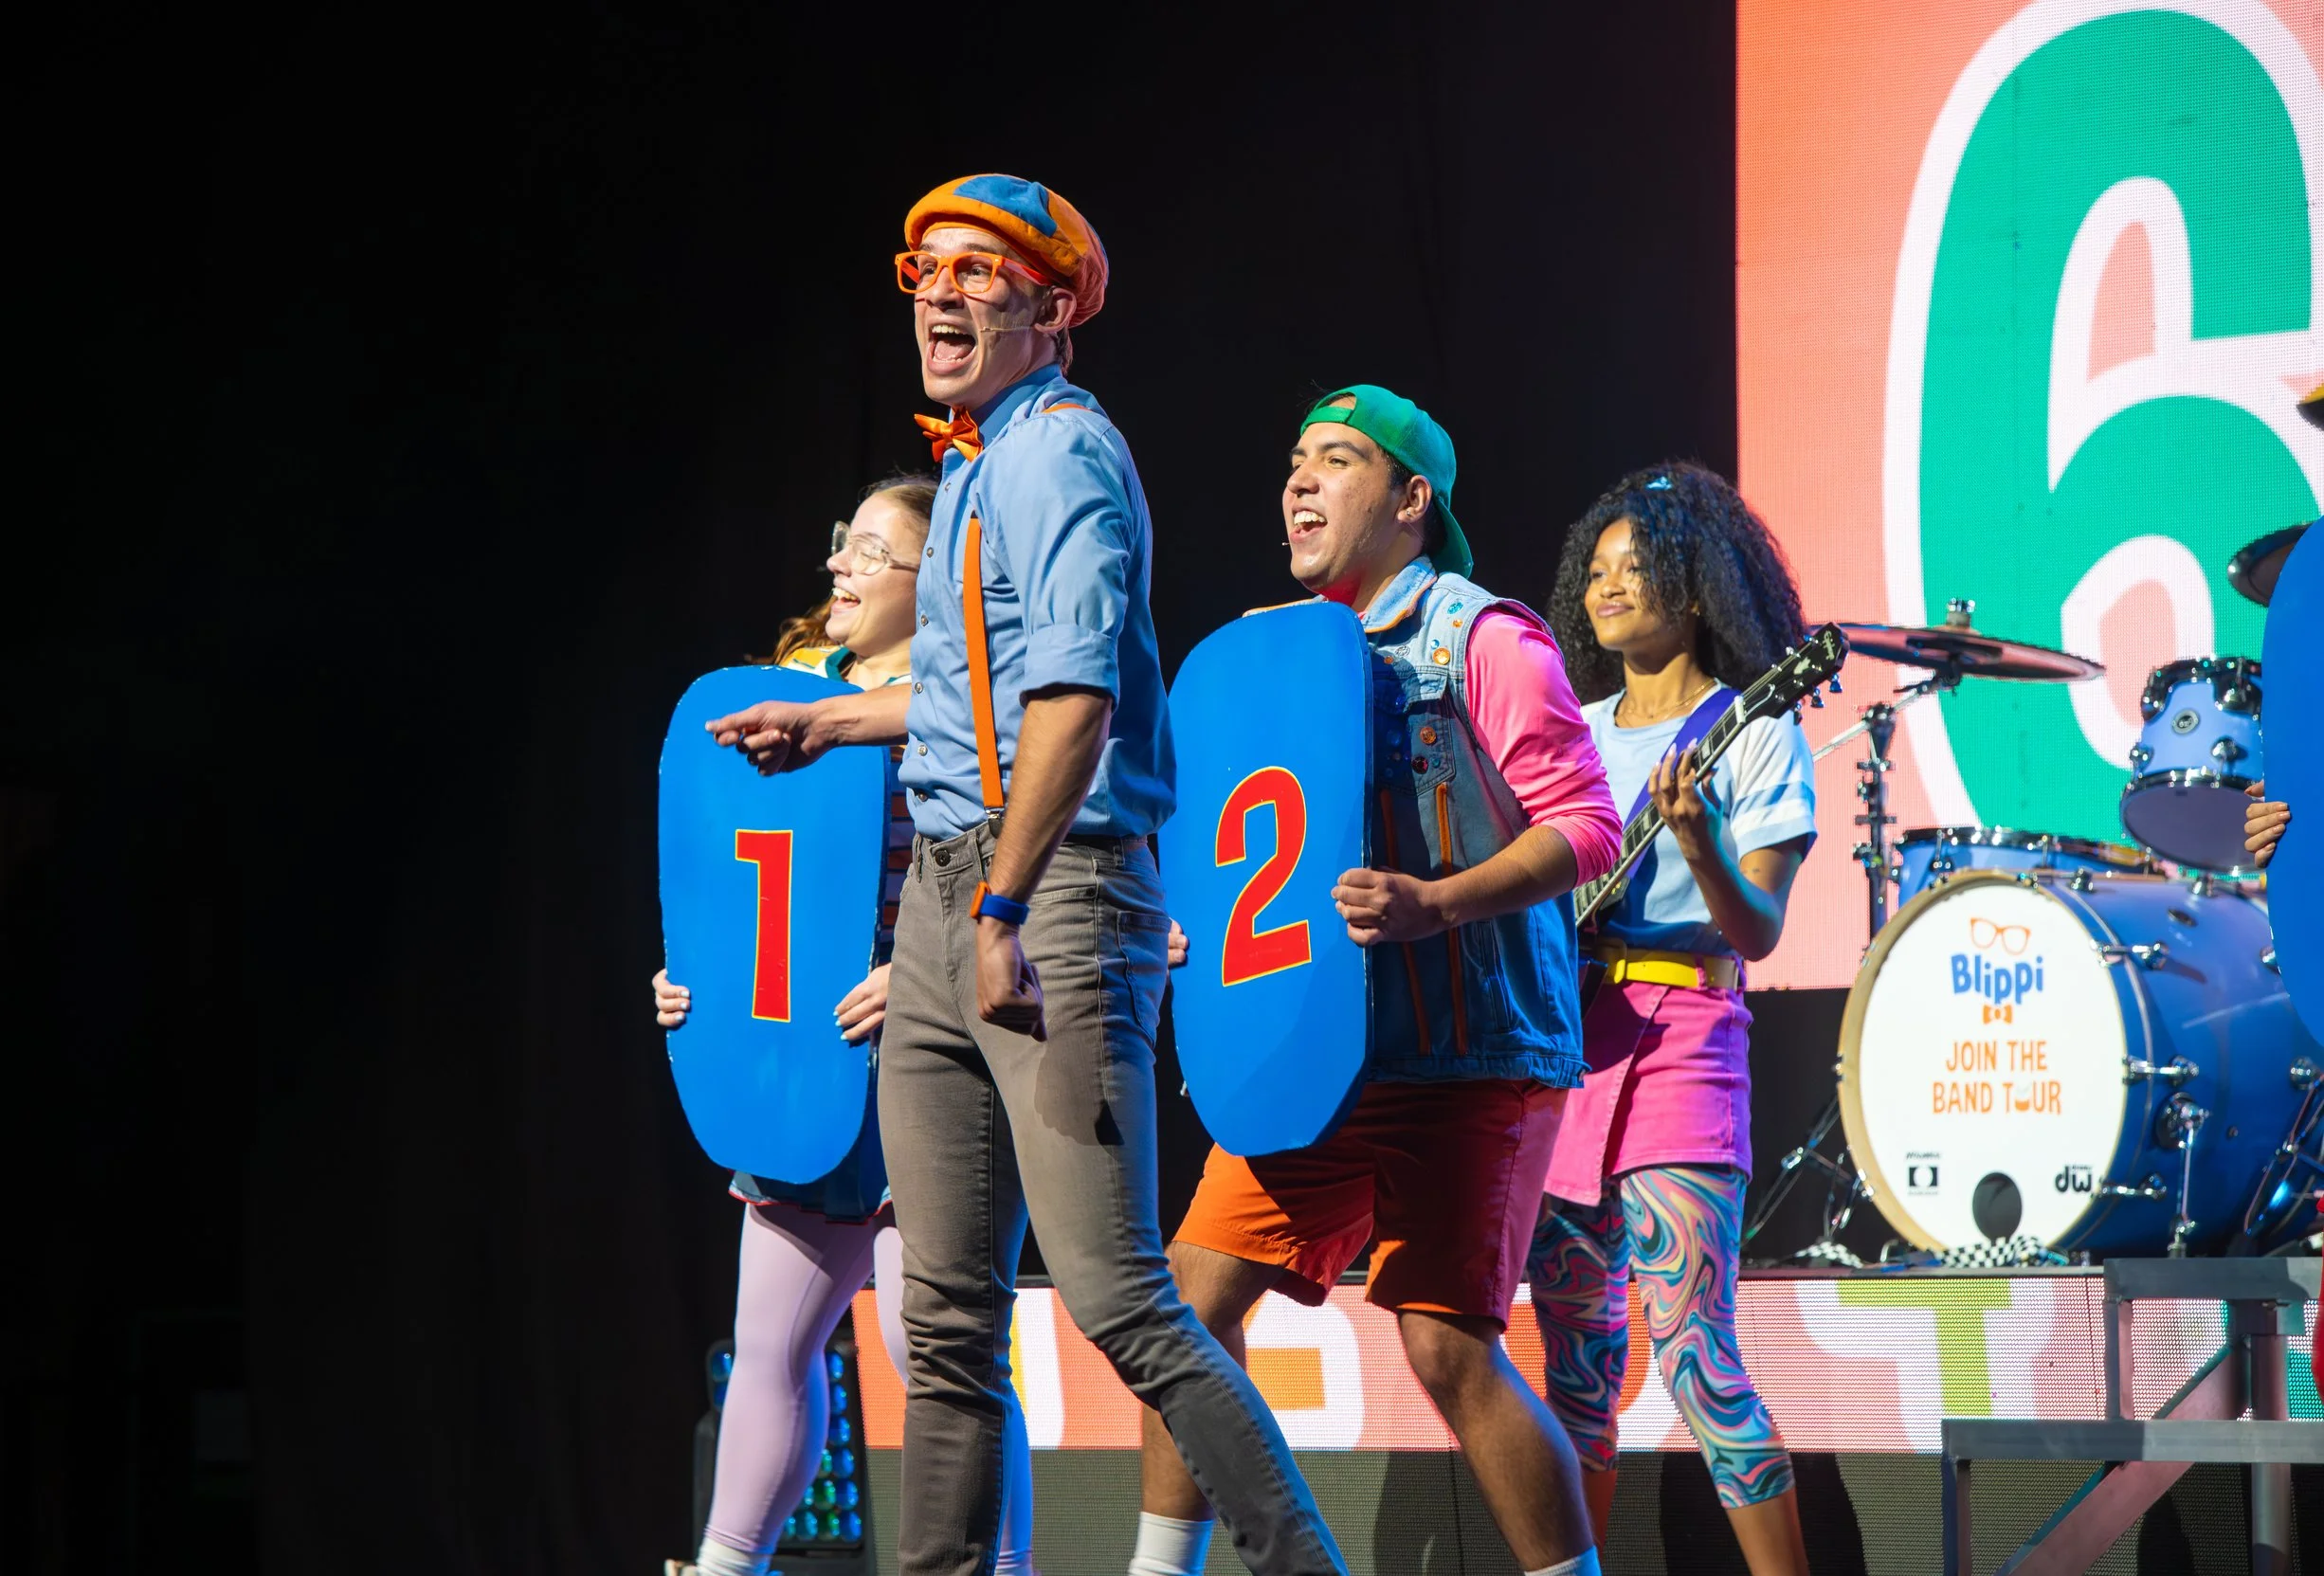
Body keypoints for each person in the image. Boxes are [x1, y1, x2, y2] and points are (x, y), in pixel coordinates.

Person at [710, 174, 1348, 1576]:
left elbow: (1071, 704)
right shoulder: (978, 463)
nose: (941, 293)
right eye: (926, 269)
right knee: (940, 1318)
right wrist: (826, 719)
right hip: (950, 893)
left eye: (980, 274)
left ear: (1051, 310)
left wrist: (1002, 906)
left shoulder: (1057, 454)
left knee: (1120, 1291)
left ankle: (1307, 1563)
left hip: (1050, 890)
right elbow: (968, 691)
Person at [1135, 386, 1621, 1576]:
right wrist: (1197, 933)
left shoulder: (1485, 639)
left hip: (1466, 1063)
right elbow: (1238, 854)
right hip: (1310, 1058)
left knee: (1448, 1349)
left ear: (1412, 501)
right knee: (1178, 1323)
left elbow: (1590, 829)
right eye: (1294, 459)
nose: (1298, 481)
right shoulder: (1266, 655)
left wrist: (1436, 902)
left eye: (1337, 460)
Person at [655, 480, 1041, 1576]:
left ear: (934, 589)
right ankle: (728, 1565)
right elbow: (739, 883)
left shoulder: (974, 709)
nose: (840, 566)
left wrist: (920, 978)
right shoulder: (784, 700)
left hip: (930, 1067)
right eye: (843, 544)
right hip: (804, 1067)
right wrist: (695, 985)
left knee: (940, 1352)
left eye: (872, 552)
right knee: (771, 1344)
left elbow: (1022, 876)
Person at [1524, 461, 1816, 1576]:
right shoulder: (1572, 727)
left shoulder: (1750, 729)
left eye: (1634, 567)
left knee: (1696, 1356)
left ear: (1693, 589)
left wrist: (1695, 842)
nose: (1606, 587)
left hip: (1684, 1039)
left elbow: (1759, 931)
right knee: (1578, 1373)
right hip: (1570, 1046)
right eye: (1593, 569)